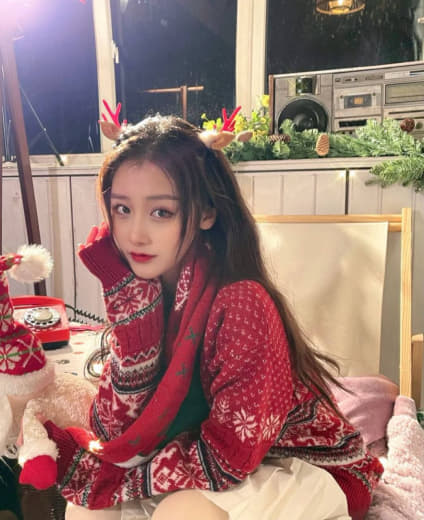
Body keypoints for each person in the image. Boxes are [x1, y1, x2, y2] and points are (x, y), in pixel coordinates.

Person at [42, 115, 383, 520]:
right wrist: (134, 322)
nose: (135, 233)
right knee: (86, 507)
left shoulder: (241, 304)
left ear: (206, 212)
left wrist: (116, 481)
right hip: (222, 462)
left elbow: (229, 456)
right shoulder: (142, 291)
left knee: (179, 513)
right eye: (122, 209)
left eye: (161, 212)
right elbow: (115, 433)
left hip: (307, 467)